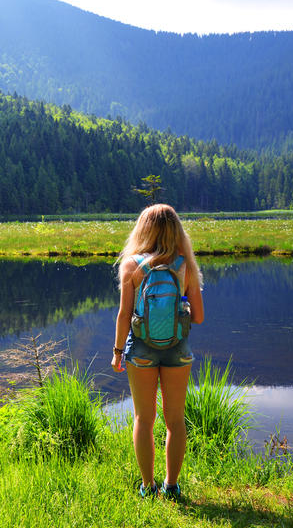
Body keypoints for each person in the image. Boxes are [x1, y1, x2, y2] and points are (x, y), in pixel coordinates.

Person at [111, 204, 204, 499]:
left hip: (141, 350)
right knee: (175, 420)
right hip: (177, 349)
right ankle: (172, 486)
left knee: (143, 419)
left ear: (143, 229)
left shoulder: (131, 266)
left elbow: (124, 315)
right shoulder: (184, 266)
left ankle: (147, 486)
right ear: (177, 231)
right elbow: (199, 318)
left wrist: (116, 352)